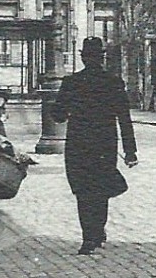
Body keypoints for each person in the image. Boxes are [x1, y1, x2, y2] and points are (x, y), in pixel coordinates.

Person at [52, 37, 138, 255]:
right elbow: (124, 118)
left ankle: (88, 237)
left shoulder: (71, 82)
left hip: (78, 143)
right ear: (102, 57)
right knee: (101, 189)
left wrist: (63, 106)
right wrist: (130, 151)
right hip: (105, 144)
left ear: (82, 57)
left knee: (82, 189)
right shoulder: (113, 82)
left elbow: (58, 116)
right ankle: (97, 232)